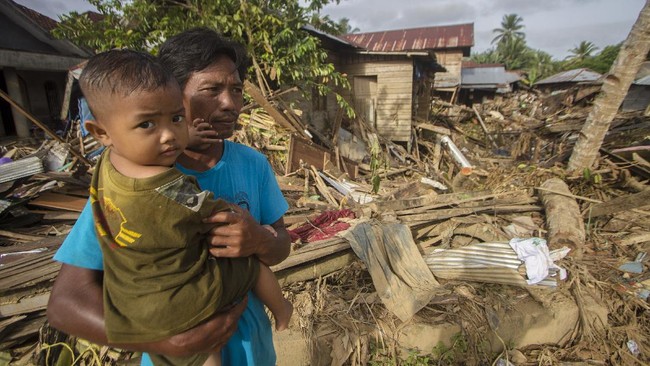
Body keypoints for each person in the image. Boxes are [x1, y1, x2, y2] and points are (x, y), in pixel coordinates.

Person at [47, 28, 292, 366]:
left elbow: (281, 246)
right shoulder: (133, 184)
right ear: (175, 92)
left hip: (256, 352)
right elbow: (65, 303)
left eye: (236, 90)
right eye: (212, 90)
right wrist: (167, 341)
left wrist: (259, 240)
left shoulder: (253, 164)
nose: (230, 103)